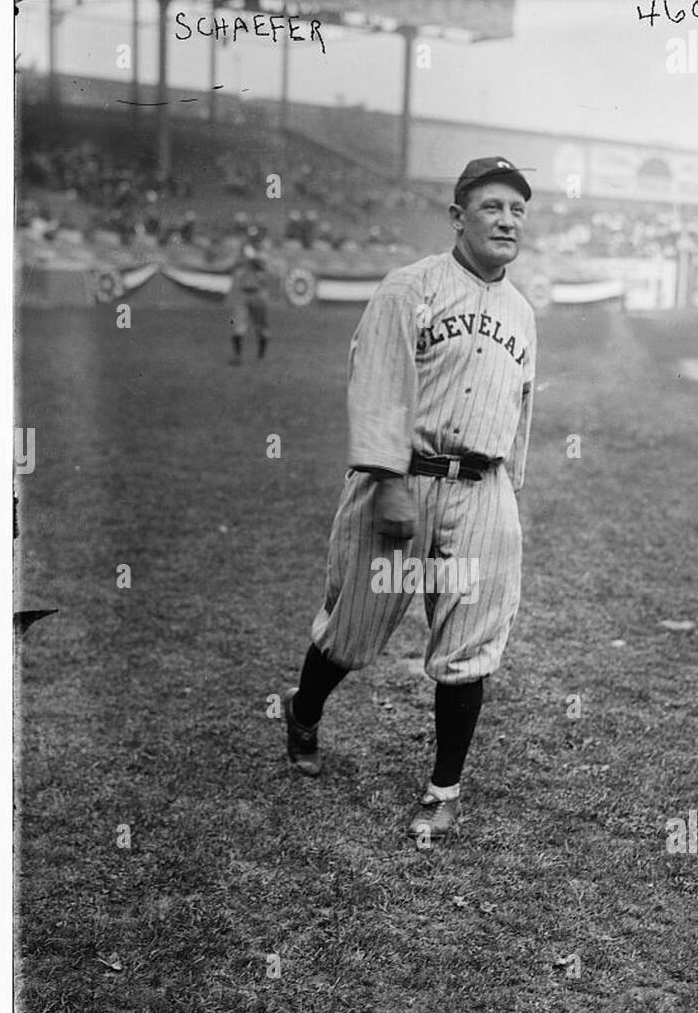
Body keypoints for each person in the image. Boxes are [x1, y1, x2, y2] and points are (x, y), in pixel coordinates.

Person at [282, 157, 537, 841]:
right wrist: (389, 481)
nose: (506, 219)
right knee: (351, 630)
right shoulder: (409, 289)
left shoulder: (521, 311)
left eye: (516, 209)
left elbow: (519, 408)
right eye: (490, 206)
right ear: (457, 217)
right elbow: (376, 386)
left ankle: (442, 789)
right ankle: (303, 712)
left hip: (482, 490)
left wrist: (506, 497)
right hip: (404, 480)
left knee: (469, 646)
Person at [228, 233, 270, 365]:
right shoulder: (244, 256)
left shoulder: (262, 255)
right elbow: (233, 267)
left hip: (258, 294)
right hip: (243, 294)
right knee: (237, 326)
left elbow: (261, 265)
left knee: (261, 328)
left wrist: (251, 256)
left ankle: (261, 358)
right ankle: (237, 356)